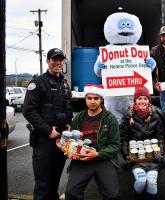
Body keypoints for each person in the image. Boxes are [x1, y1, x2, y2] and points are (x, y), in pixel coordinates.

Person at [23, 48, 73, 200]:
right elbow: (28, 111)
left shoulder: (64, 84)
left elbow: (68, 107)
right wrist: (47, 130)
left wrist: (69, 123)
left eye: (60, 59)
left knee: (55, 181)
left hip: (61, 139)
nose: (58, 62)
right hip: (44, 139)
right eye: (54, 59)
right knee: (43, 184)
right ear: (48, 61)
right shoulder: (37, 83)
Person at [65, 85, 120, 200]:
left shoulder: (110, 119)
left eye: (96, 98)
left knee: (112, 195)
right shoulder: (79, 117)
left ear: (101, 99)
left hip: (103, 158)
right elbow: (72, 140)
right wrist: (69, 148)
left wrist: (98, 154)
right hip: (82, 159)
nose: (92, 101)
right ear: (85, 99)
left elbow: (115, 146)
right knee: (71, 193)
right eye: (89, 98)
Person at [120, 86, 165, 200]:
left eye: (145, 98)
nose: (142, 101)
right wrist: (126, 156)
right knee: (141, 180)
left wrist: (161, 154)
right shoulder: (128, 116)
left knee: (151, 182)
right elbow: (123, 138)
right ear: (135, 101)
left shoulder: (157, 114)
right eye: (139, 99)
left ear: (149, 100)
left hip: (153, 158)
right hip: (135, 158)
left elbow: (161, 138)